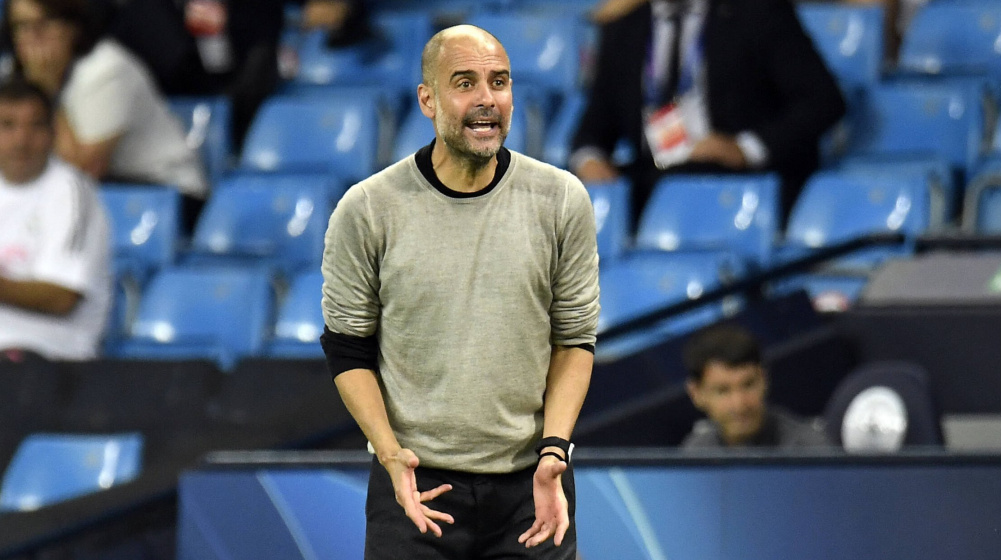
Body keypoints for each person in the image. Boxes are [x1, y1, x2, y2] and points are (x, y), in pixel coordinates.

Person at [319, 24, 600, 559]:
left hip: (532, 487)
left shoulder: (562, 199)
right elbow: (348, 347)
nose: (487, 99)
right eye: (465, 83)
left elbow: (574, 339)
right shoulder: (368, 208)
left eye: (499, 82)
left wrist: (554, 451)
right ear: (427, 99)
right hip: (414, 488)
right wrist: (389, 453)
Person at [570, 0, 846, 228]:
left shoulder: (757, 11)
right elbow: (591, 131)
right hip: (654, 178)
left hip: (735, 180)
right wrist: (590, 161)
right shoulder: (623, 28)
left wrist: (744, 149)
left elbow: (823, 100)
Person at [1, 0, 209, 231]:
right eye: (21, 26)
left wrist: (46, 93)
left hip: (166, 195)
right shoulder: (17, 75)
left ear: (73, 27)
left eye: (44, 24)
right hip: (106, 193)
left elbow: (82, 172)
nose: (32, 37)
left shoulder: (105, 69)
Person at [0, 79, 111, 362]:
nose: (21, 141)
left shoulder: (73, 193)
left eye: (35, 126)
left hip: (50, 355)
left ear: (52, 133)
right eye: (7, 125)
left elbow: (62, 298)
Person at [681, 324, 831, 448]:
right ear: (696, 393)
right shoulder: (694, 454)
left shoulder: (812, 451)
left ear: (764, 379)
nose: (740, 404)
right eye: (723, 391)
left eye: (748, 385)